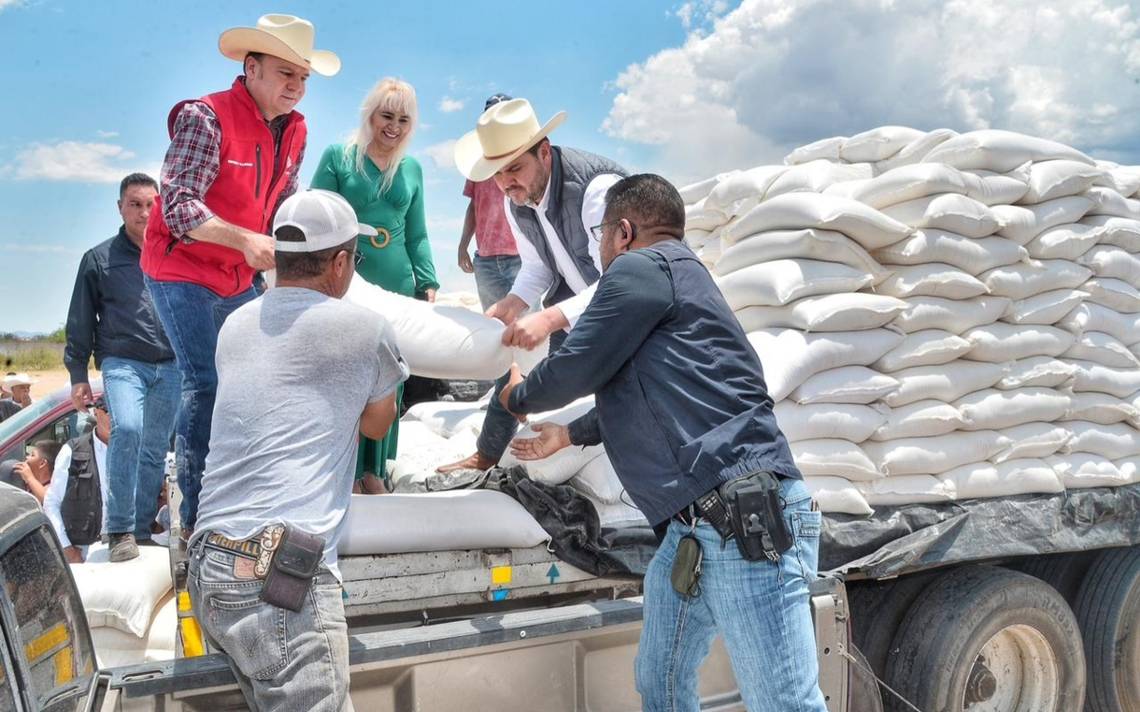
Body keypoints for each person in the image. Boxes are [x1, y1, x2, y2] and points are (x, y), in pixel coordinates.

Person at [500, 175, 828, 711]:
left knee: (785, 703)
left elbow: (578, 364)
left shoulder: (641, 268)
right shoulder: (682, 282)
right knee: (663, 681)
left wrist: (519, 397)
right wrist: (569, 433)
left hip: (742, 521)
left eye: (600, 236)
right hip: (694, 529)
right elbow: (653, 392)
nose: (598, 251)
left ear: (623, 231)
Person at [187, 189, 406, 711]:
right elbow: (378, 426)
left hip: (210, 562)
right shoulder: (365, 327)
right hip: (279, 581)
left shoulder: (235, 324)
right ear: (338, 262)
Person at [141, 14, 339, 533]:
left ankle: (249, 491)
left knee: (255, 379)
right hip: (179, 268)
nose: (295, 87)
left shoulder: (296, 130)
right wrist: (246, 240)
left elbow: (282, 204)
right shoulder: (206, 117)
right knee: (206, 381)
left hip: (236, 275)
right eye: (284, 74)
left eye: (303, 78)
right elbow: (179, 204)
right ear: (250, 68)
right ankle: (198, 512)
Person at [438, 98, 626, 474]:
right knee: (518, 372)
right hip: (577, 305)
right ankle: (488, 455)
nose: (506, 182)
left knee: (625, 390)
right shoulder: (517, 200)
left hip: (626, 312)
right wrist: (515, 300)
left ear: (544, 152)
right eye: (497, 174)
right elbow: (538, 264)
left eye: (515, 168)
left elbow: (619, 280)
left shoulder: (595, 191)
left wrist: (548, 318)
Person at [311, 77, 439, 495]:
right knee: (346, 373)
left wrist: (429, 282)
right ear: (370, 114)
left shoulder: (413, 167)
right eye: (387, 115)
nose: (394, 126)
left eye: (404, 119)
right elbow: (316, 216)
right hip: (347, 280)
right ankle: (345, 470)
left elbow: (417, 233)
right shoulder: (338, 156)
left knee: (390, 379)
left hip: (398, 283)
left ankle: (375, 470)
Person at [65, 173, 180, 562]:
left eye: (151, 204)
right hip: (122, 362)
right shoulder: (98, 259)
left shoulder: (175, 254)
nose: (144, 212)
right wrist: (77, 375)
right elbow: (80, 321)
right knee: (127, 428)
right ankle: (118, 530)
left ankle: (141, 529)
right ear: (120, 207)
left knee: (154, 449)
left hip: (171, 365)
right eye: (135, 204)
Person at [458, 93, 522, 311]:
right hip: (485, 262)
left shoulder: (523, 159)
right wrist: (462, 245)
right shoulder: (475, 164)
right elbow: (474, 206)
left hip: (521, 258)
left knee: (526, 325)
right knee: (494, 326)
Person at [44, 398, 112, 564]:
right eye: (108, 412)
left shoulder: (135, 450)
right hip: (84, 553)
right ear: (96, 412)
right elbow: (52, 502)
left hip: (123, 549)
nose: (114, 418)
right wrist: (67, 548)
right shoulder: (72, 451)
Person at [13, 440, 62, 506]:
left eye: (32, 455)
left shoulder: (53, 489)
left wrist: (29, 477)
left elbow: (48, 501)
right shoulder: (28, 484)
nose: (27, 457)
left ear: (42, 463)